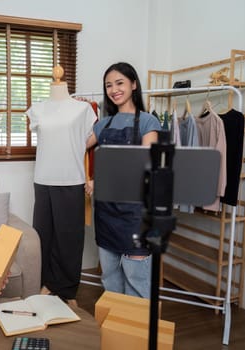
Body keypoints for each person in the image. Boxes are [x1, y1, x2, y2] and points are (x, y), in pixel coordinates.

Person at [86, 62, 161, 298]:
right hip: (105, 212)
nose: (114, 89)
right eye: (109, 85)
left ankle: (135, 334)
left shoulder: (149, 122)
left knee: (137, 280)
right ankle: (115, 333)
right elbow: (73, 147)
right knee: (109, 279)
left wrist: (100, 181)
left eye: (119, 83)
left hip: (135, 214)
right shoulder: (103, 124)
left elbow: (144, 163)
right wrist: (86, 178)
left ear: (133, 84)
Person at [26, 65, 97, 306]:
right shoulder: (37, 109)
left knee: (69, 238)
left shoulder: (83, 109)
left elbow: (88, 141)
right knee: (44, 235)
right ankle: (46, 284)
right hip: (43, 179)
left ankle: (67, 291)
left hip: (72, 179)